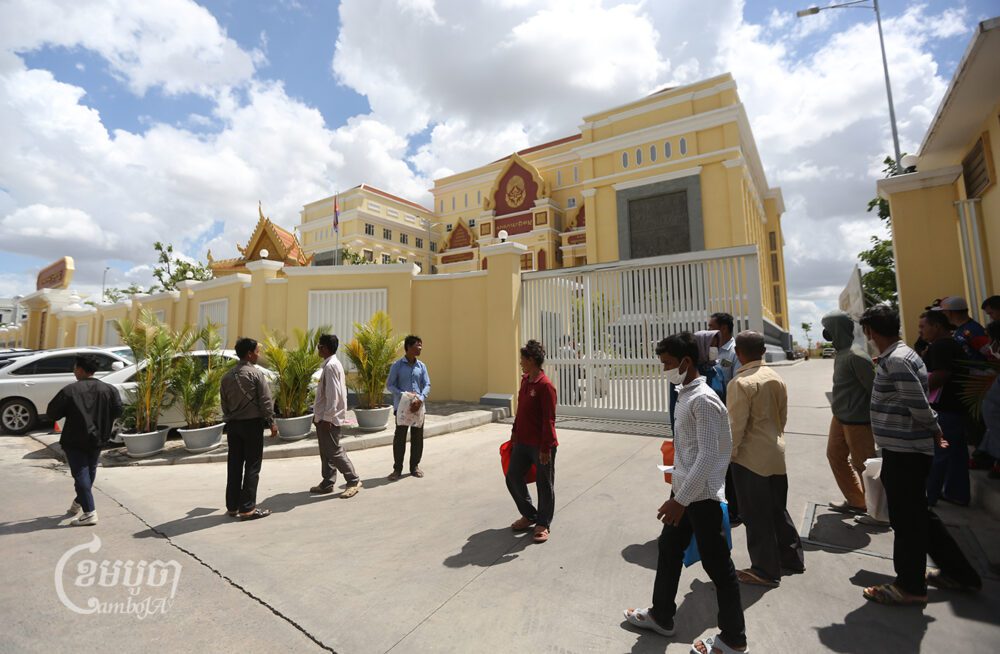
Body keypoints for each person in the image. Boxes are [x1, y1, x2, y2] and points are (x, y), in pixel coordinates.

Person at [624, 332, 746, 654]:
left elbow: (708, 456)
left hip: (700, 498)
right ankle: (662, 615)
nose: (664, 369)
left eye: (667, 363)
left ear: (686, 362)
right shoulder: (685, 394)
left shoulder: (702, 400)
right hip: (686, 493)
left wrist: (680, 499)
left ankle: (733, 639)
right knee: (668, 549)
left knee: (719, 568)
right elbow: (692, 451)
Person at [860, 305, 981, 606]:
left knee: (907, 522)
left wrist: (935, 429)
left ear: (870, 332)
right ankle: (959, 572)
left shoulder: (898, 360)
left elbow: (917, 402)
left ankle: (910, 586)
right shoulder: (900, 356)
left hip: (906, 451)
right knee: (919, 517)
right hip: (904, 449)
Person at [727, 331, 804, 587]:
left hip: (750, 459)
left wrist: (728, 455)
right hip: (775, 453)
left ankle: (765, 570)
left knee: (755, 516)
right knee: (777, 510)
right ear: (763, 351)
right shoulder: (775, 377)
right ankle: (791, 557)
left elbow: (735, 427)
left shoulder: (741, 383)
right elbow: (782, 416)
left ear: (738, 353)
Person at [46, 354, 122, 527]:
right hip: (99, 437)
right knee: (90, 471)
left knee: (81, 473)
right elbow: (118, 411)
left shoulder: (70, 390)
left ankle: (89, 512)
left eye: (74, 368)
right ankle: (80, 501)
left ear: (80, 369)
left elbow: (52, 413)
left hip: (74, 439)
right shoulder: (109, 389)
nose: (73, 371)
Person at [820, 310, 876, 515]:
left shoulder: (856, 356)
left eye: (828, 329)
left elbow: (874, 390)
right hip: (841, 417)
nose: (825, 334)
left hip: (858, 421)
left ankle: (876, 509)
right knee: (835, 455)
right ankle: (857, 500)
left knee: (864, 465)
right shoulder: (842, 353)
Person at [506, 339, 558, 544]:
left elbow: (549, 420)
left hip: (541, 446)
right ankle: (530, 515)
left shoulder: (546, 386)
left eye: (522, 359)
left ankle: (543, 523)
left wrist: (545, 447)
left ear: (532, 360)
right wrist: (514, 430)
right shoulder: (526, 380)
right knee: (512, 476)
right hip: (522, 442)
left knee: (544, 484)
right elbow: (521, 410)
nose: (520, 363)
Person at [220, 337, 277, 521]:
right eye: (257, 351)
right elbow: (266, 401)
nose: (259, 355)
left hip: (233, 425)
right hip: (252, 425)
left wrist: (231, 417)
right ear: (249, 354)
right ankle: (248, 508)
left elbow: (224, 404)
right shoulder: (255, 374)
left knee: (234, 465)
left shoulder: (227, 377)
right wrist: (271, 422)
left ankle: (232, 506)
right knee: (252, 466)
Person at [920, 310, 971, 506]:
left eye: (923, 327)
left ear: (936, 326)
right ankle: (956, 493)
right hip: (955, 407)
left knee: (938, 454)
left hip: (944, 408)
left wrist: (918, 391)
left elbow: (941, 375)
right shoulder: (951, 344)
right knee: (956, 454)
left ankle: (928, 497)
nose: (921, 331)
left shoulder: (941, 346)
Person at [310, 334, 362, 497]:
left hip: (329, 418)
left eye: (319, 346)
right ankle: (327, 482)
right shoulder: (330, 365)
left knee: (333, 450)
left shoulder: (331, 366)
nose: (318, 349)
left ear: (325, 348)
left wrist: (327, 417)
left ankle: (353, 480)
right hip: (324, 416)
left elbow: (333, 395)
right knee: (325, 451)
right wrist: (318, 415)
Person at [386, 335, 431, 480]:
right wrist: (403, 395)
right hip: (402, 407)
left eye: (421, 345)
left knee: (417, 438)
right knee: (400, 438)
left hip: (418, 406)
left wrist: (421, 398)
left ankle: (414, 467)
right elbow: (390, 385)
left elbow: (427, 385)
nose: (420, 348)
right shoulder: (397, 365)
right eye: (417, 345)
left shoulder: (421, 366)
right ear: (409, 347)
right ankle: (397, 469)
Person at [940, 296, 988, 361]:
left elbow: (987, 354)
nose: (942, 315)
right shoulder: (960, 328)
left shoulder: (974, 330)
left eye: (943, 312)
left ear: (950, 312)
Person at [709, 312, 741, 388]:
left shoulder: (736, 352)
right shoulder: (708, 348)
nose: (708, 330)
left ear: (724, 328)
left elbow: (737, 381)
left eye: (711, 327)